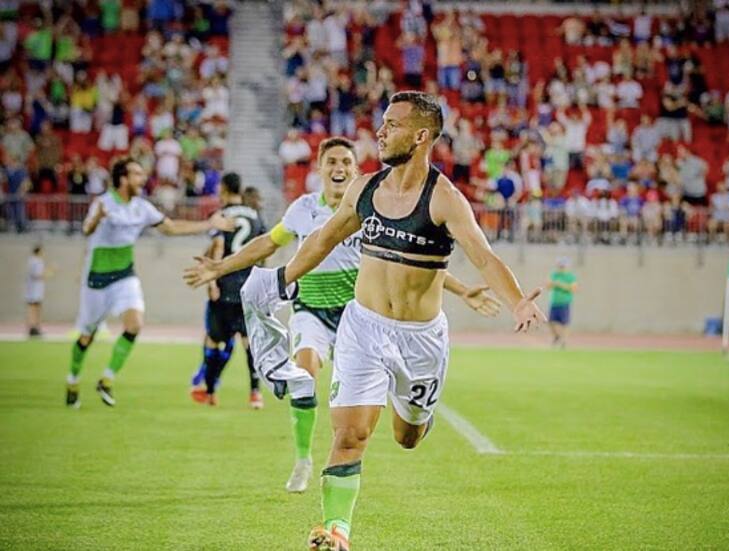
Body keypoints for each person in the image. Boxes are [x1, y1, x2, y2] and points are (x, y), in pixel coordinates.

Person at [187, 92, 546, 550]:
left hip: (420, 340)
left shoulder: (445, 200)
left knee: (408, 436)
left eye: (392, 125)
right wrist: (279, 280)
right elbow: (317, 242)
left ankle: (419, 415)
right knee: (350, 433)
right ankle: (336, 530)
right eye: (382, 123)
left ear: (420, 136)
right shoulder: (365, 189)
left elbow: (484, 257)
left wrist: (516, 301)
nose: (380, 132)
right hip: (363, 328)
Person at [183, 137, 501, 495]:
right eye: (332, 161)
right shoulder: (302, 210)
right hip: (311, 311)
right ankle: (303, 461)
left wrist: (463, 290)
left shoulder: (372, 207)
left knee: (396, 428)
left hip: (358, 318)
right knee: (304, 372)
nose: (339, 168)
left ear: (355, 168)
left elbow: (410, 266)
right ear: (319, 168)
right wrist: (221, 267)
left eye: (346, 162)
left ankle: (403, 416)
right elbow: (269, 244)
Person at [65, 157, 233, 409]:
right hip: (97, 279)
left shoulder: (142, 207)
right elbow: (87, 230)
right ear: (123, 178)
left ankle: (107, 379)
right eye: (137, 175)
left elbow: (172, 227)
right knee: (86, 336)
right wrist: (97, 218)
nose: (142, 179)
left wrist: (208, 223)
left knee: (135, 324)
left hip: (124, 275)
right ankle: (73, 380)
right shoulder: (103, 203)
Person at [190, 173, 266, 408]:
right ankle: (255, 394)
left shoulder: (222, 216)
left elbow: (218, 245)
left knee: (213, 340)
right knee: (248, 342)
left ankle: (211, 392)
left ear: (223, 188)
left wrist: (212, 282)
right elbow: (264, 248)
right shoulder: (255, 216)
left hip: (224, 286)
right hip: (250, 286)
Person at [547, 257, 578, 348]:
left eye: (563, 266)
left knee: (564, 323)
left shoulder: (570, 276)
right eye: (560, 266)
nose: (561, 268)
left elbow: (574, 288)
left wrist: (560, 285)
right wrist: (553, 283)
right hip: (554, 302)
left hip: (564, 302)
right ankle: (557, 336)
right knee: (551, 321)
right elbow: (548, 285)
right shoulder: (554, 275)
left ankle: (564, 341)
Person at [25, 245, 51, 337]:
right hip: (33, 290)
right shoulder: (36, 261)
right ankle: (33, 327)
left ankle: (35, 327)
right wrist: (49, 272)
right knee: (34, 309)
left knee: (36, 309)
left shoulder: (34, 261)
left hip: (35, 289)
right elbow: (37, 275)